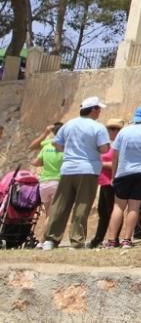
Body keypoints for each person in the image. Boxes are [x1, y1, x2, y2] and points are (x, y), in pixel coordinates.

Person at [42, 97, 111, 251]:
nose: (100, 112)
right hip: (88, 169)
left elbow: (57, 144)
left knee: (60, 205)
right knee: (82, 205)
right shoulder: (97, 127)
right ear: (93, 109)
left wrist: (70, 151)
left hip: (68, 169)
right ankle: (76, 241)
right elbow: (104, 149)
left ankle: (51, 240)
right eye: (99, 109)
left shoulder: (69, 124)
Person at [104, 105, 141, 249]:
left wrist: (113, 175)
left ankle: (111, 239)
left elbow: (115, 155)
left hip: (123, 172)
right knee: (134, 207)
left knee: (118, 206)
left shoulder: (123, 132)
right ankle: (127, 240)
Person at [89, 117, 123, 248]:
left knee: (112, 211)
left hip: (112, 181)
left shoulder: (118, 146)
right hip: (104, 182)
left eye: (115, 129)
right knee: (103, 213)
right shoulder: (106, 145)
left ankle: (113, 238)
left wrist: (101, 164)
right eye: (110, 128)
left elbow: (118, 163)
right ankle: (98, 238)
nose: (112, 131)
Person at [30, 122, 63, 241]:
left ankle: (46, 239)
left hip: (44, 183)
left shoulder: (47, 145)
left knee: (48, 214)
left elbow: (35, 157)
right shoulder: (65, 146)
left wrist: (45, 133)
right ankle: (45, 240)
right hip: (57, 182)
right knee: (52, 214)